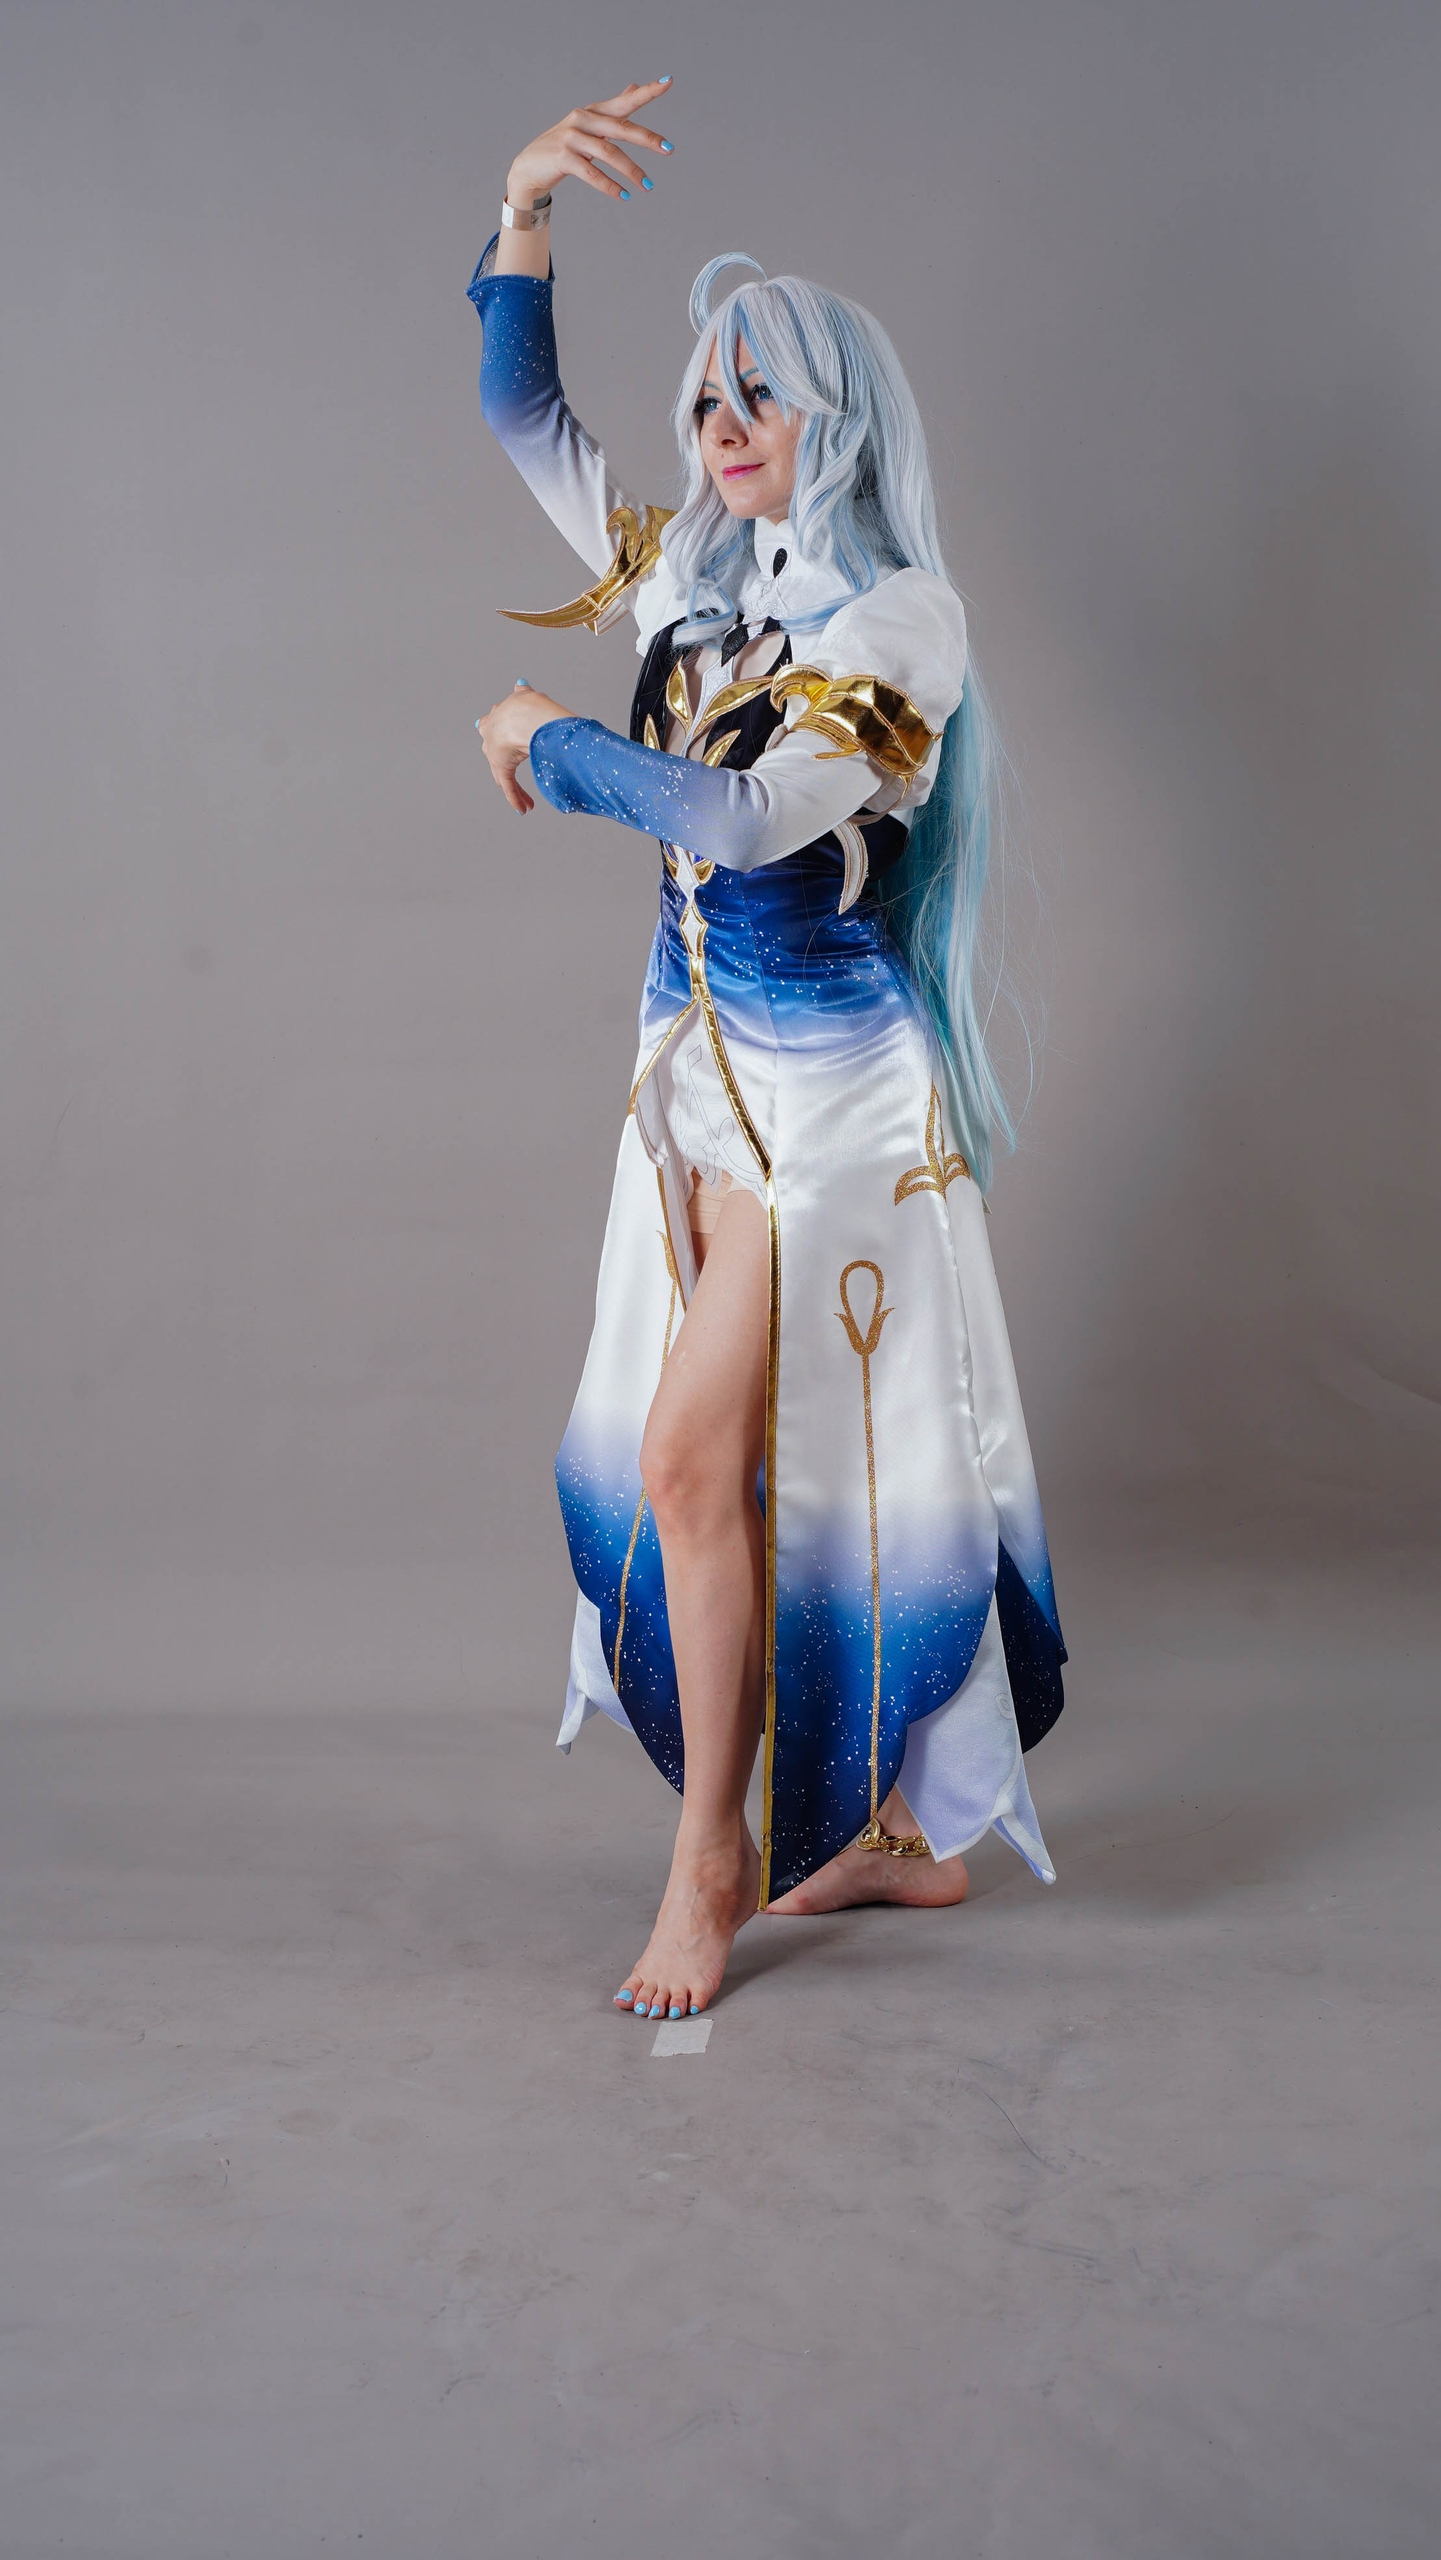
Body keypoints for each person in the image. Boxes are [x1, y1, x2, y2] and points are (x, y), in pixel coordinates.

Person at [470, 78, 1066, 2023]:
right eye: (708, 400)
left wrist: (552, 743)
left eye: (762, 399)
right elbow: (525, 425)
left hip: (831, 1115)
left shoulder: (901, 625)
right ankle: (889, 1830)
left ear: (842, 419)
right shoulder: (697, 588)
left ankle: (712, 1859)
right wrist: (523, 211)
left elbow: (742, 821)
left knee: (700, 1459)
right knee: (783, 1477)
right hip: (694, 1100)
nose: (722, 430)